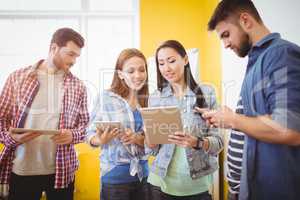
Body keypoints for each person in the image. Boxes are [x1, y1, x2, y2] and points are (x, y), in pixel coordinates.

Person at [202, 0, 300, 199]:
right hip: (247, 188)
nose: (226, 44)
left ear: (245, 20)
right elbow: (256, 121)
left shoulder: (281, 54)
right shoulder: (257, 61)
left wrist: (233, 120)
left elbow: (290, 129)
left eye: (226, 35)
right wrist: (227, 119)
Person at [0, 27, 89, 200]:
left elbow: (86, 126)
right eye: (70, 54)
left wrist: (72, 135)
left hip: (62, 171)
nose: (74, 61)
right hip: (22, 169)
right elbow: (1, 119)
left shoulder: (78, 86)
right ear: (54, 48)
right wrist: (12, 139)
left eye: (77, 56)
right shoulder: (17, 78)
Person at [145, 40, 223, 200]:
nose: (166, 68)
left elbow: (219, 142)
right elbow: (152, 150)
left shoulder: (207, 93)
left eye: (171, 61)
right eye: (161, 63)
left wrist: (197, 142)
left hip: (197, 185)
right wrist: (150, 141)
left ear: (186, 59)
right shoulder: (156, 98)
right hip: (160, 183)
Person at [87, 48, 149, 200]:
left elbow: (153, 140)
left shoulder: (149, 100)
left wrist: (137, 139)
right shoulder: (106, 98)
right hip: (115, 180)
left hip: (144, 177)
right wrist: (100, 140)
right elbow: (88, 133)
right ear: (120, 74)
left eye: (142, 70)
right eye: (131, 71)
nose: (138, 75)